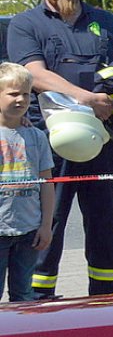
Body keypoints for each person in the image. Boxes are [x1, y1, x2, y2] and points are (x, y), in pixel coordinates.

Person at [7, 0, 113, 298]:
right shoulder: (25, 24)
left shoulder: (106, 22)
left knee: (105, 224)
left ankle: (107, 297)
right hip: (49, 144)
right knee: (48, 223)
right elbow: (35, 73)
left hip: (102, 140)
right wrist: (86, 97)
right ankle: (37, 301)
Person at [0, 63, 54, 302]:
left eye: (26, 93)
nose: (21, 99)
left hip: (29, 230)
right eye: (13, 93)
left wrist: (45, 225)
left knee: (24, 295)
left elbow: (47, 183)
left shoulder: (37, 136)